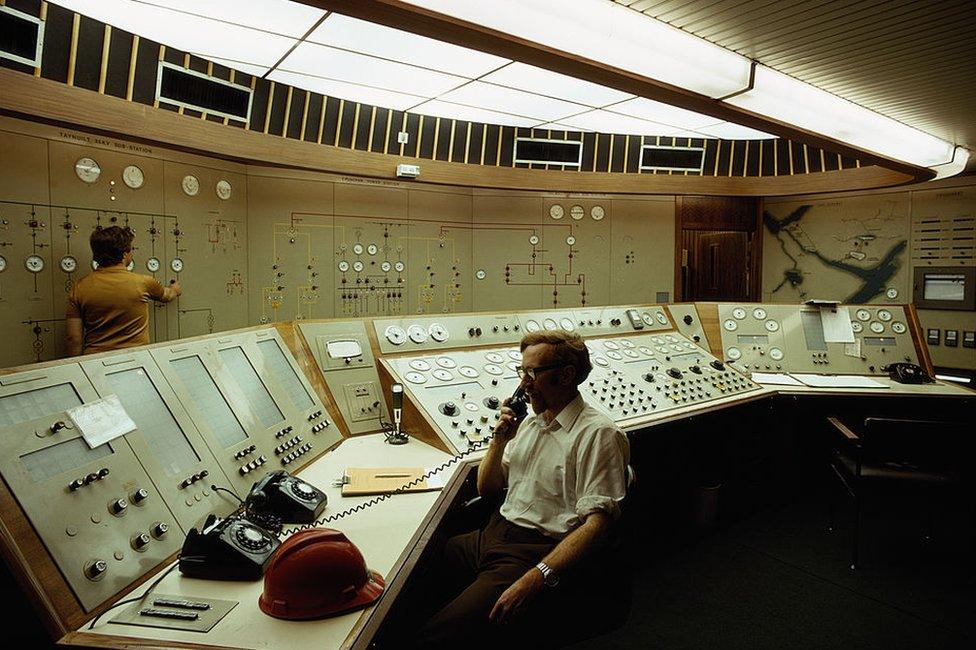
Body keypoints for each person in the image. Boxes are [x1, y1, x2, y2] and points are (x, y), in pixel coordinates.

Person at [416, 330, 630, 647]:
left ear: (567, 375)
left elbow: (598, 525)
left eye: (533, 372)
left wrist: (538, 576)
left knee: (438, 634)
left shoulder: (598, 434)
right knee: (411, 578)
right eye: (522, 371)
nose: (524, 383)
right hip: (492, 534)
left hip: (534, 550)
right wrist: (500, 440)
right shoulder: (530, 423)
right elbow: (488, 490)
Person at [65, 226, 181, 356]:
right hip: (135, 359)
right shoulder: (143, 282)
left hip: (95, 361)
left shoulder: (79, 287)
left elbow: (73, 339)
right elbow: (166, 295)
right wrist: (175, 289)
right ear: (125, 254)